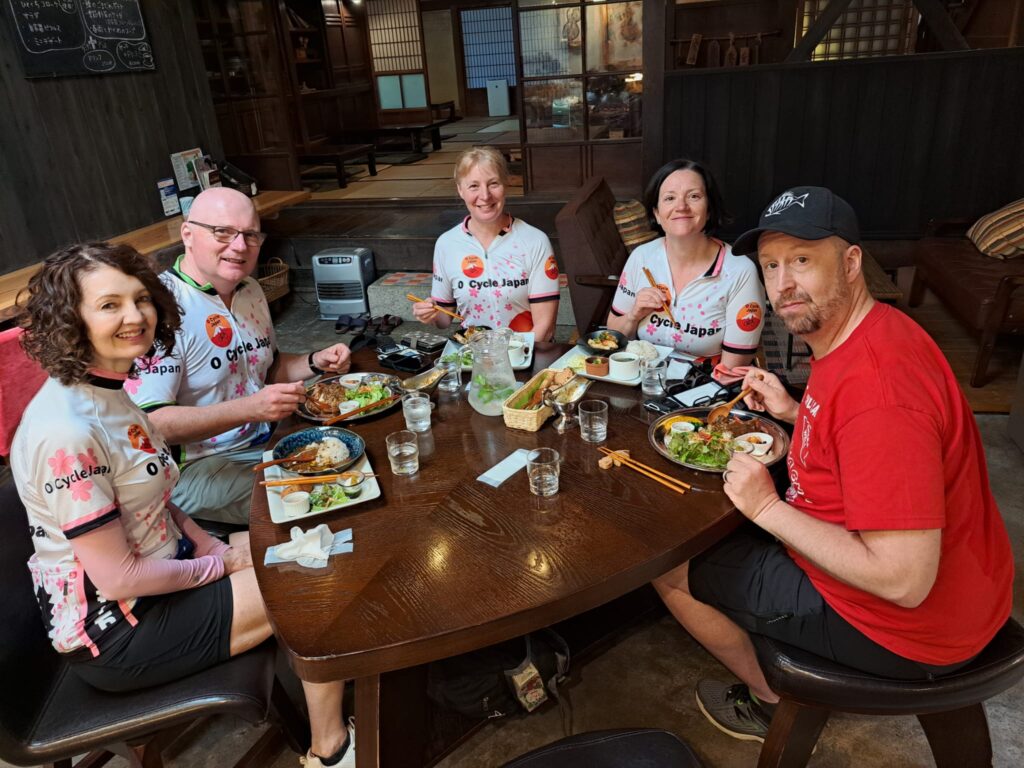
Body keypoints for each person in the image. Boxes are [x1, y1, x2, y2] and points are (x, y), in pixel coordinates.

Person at [653, 187, 1013, 743]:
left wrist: (767, 508)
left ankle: (769, 703)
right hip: (967, 590)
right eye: (771, 265)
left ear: (850, 263)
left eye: (802, 260)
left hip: (906, 627)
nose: (782, 285)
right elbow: (862, 441)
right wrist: (795, 412)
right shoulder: (865, 334)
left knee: (668, 564)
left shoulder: (881, 393)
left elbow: (904, 580)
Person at [11, 243, 353, 768]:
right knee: (315, 572)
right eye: (109, 305)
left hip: (160, 576)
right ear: (69, 319)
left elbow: (157, 498)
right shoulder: (66, 431)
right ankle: (330, 751)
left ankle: (329, 696)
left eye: (142, 299)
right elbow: (121, 579)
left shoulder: (109, 390)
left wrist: (212, 544)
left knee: (316, 533)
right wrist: (218, 563)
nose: (135, 316)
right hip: (119, 631)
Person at [128, 187, 351, 525]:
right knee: (319, 495)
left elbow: (266, 367)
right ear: (188, 234)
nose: (239, 246)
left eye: (250, 235)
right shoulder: (160, 308)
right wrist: (250, 408)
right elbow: (153, 424)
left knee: (352, 457)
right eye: (222, 232)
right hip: (193, 468)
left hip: (264, 440)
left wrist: (315, 360)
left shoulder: (250, 290)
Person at [607, 159, 766, 367]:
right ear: (656, 212)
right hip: (644, 380)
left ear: (709, 209)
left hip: (708, 389)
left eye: (694, 196)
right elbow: (613, 337)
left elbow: (732, 368)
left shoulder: (739, 271)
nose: (681, 206)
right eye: (669, 198)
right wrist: (633, 315)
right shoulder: (642, 258)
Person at [412, 147, 560, 340]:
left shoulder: (534, 241)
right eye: (473, 186)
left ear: (505, 184)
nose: (485, 195)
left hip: (527, 356)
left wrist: (507, 360)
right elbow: (444, 320)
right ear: (460, 190)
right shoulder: (447, 244)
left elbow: (545, 328)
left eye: (493, 184)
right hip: (473, 355)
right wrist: (429, 313)